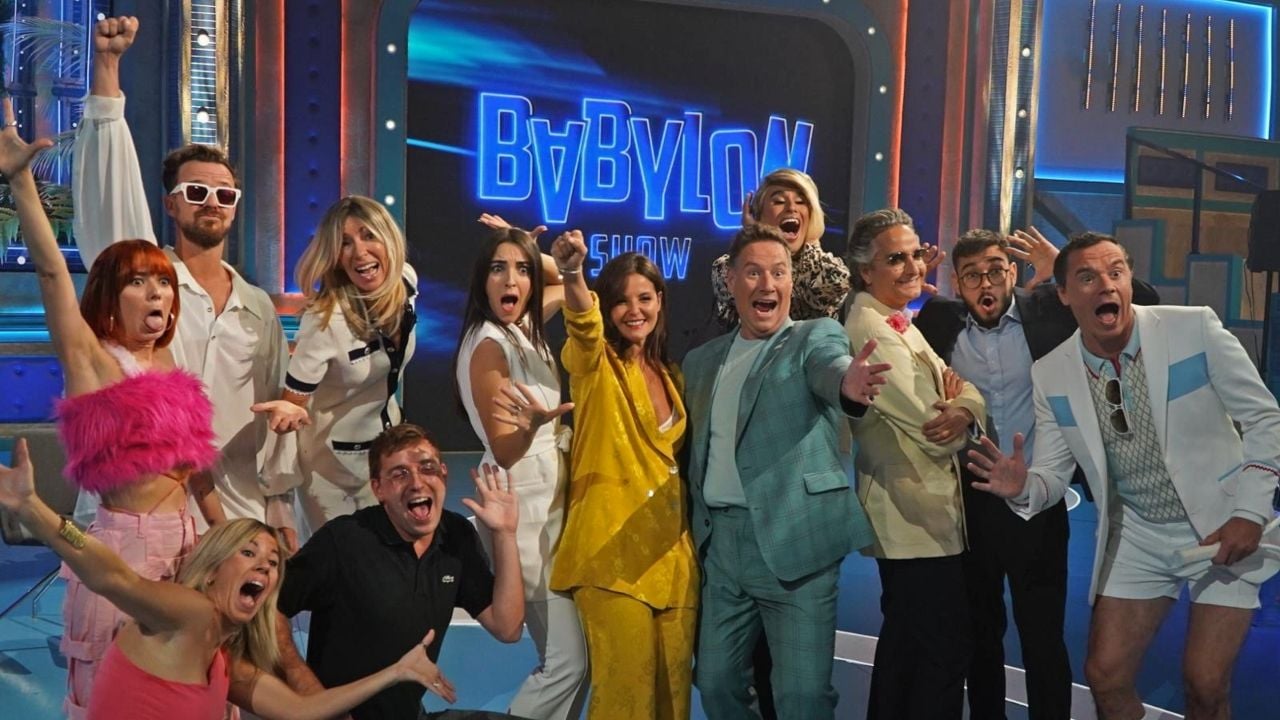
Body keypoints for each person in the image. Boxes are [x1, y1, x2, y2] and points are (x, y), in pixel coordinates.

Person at [967, 232, 1280, 720]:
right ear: (1063, 293)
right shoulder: (1051, 373)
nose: (1105, 286)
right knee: (1106, 675)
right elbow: (1053, 476)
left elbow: (1264, 418)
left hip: (1222, 525)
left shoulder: (1194, 328)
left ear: (1130, 280)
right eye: (1087, 277)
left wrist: (1250, 512)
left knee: (1204, 683)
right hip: (1137, 534)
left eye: (1115, 272)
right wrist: (1023, 486)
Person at [0, 89, 226, 716]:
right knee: (117, 695)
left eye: (163, 283)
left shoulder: (168, 364)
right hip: (120, 551)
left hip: (192, 551)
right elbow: (52, 273)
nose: (157, 295)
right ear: (109, 294)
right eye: (138, 282)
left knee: (189, 696)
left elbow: (193, 471)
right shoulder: (94, 360)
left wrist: (226, 531)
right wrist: (20, 183)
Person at [0, 440, 454, 720]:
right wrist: (33, 510)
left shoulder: (222, 658)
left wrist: (397, 672)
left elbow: (301, 710)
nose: (264, 567)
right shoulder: (190, 613)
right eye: (248, 553)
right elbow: (114, 577)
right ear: (215, 566)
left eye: (273, 563)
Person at [914, 228, 1162, 719]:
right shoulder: (939, 319)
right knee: (980, 631)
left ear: (1013, 272)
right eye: (971, 276)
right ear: (957, 284)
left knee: (1042, 633)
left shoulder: (1049, 307)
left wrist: (1064, 264)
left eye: (994, 270)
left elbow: (1144, 302)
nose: (985, 283)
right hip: (969, 502)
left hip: (1038, 496)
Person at [72, 16, 294, 545]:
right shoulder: (144, 283)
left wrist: (281, 506)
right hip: (145, 509)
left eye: (224, 194)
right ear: (171, 205)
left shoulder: (257, 306)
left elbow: (275, 413)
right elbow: (110, 192)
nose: (212, 203)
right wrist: (107, 69)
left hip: (238, 512)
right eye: (196, 192)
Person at [684, 223, 889, 720]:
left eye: (778, 272)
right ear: (731, 280)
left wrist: (849, 385)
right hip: (722, 548)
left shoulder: (813, 336)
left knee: (801, 698)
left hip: (796, 542)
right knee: (716, 684)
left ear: (791, 282)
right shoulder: (699, 362)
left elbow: (830, 367)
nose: (768, 284)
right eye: (754, 272)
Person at [275, 423, 525, 719]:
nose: (417, 483)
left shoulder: (456, 536)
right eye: (399, 474)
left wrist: (505, 534)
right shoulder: (343, 541)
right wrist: (316, 700)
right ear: (378, 488)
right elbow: (270, 609)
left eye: (427, 468)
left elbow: (507, 628)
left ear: (444, 474)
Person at [547, 232, 698, 720]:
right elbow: (583, 328)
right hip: (610, 559)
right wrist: (572, 273)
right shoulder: (595, 367)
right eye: (621, 301)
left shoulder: (672, 375)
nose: (634, 310)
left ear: (660, 301)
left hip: (674, 563)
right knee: (624, 703)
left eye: (645, 298)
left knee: (673, 705)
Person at [843, 209, 987, 720]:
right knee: (941, 653)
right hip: (910, 517)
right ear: (866, 271)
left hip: (923, 517)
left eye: (915, 254)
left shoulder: (896, 318)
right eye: (895, 259)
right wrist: (963, 411)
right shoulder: (872, 329)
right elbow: (934, 433)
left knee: (907, 653)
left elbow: (962, 389)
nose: (912, 267)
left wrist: (965, 405)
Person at [452, 226, 587, 719]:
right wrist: (530, 428)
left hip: (550, 503)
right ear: (481, 280)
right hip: (525, 508)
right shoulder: (489, 345)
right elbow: (506, 449)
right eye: (498, 269)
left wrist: (532, 250)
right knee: (566, 663)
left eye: (521, 270)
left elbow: (571, 284)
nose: (511, 280)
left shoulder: (522, 328)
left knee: (571, 661)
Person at [274, 195, 418, 533]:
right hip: (331, 475)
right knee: (344, 559)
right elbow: (292, 403)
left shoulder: (406, 282)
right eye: (345, 243)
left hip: (387, 457)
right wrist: (285, 413)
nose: (360, 252)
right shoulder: (326, 320)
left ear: (389, 238)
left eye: (369, 236)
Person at [710, 168, 849, 330]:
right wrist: (757, 237)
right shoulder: (726, 269)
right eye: (779, 202)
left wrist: (812, 238)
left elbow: (835, 283)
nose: (791, 208)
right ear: (757, 216)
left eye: (801, 202)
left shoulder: (828, 271)